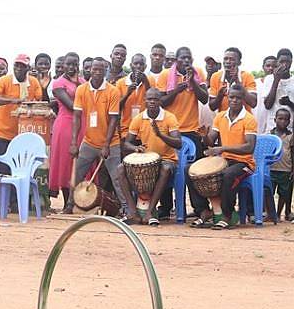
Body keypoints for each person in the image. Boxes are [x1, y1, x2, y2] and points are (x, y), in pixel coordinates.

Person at [188, 84, 256, 229]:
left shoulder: (249, 119)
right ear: (227, 97)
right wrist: (204, 136)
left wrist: (223, 148)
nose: (234, 100)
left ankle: (228, 214)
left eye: (238, 98)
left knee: (228, 174)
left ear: (243, 99)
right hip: (225, 160)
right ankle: (203, 210)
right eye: (232, 97)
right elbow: (211, 141)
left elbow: (249, 147)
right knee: (190, 170)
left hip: (245, 163)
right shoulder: (220, 116)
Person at [68, 57, 126, 214]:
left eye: (101, 69)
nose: (97, 72)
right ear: (89, 70)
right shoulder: (82, 90)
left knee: (116, 177)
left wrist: (106, 145)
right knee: (77, 173)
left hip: (110, 142)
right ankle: (69, 205)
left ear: (106, 71)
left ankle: (127, 209)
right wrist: (74, 142)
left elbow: (114, 119)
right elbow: (77, 117)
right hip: (89, 141)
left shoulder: (113, 91)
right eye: (94, 69)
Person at [157, 46, 209, 219]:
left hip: (191, 130)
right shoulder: (166, 75)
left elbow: (204, 98)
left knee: (194, 172)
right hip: (171, 130)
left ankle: (200, 208)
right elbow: (161, 102)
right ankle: (165, 208)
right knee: (166, 166)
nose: (186, 61)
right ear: (176, 60)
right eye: (183, 58)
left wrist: (192, 82)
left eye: (189, 58)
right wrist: (176, 91)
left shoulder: (198, 72)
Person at [117, 88, 181, 225]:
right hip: (146, 160)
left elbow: (179, 143)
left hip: (167, 159)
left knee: (164, 169)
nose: (152, 102)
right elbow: (126, 143)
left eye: (155, 99)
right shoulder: (139, 118)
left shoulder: (169, 117)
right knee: (120, 168)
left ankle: (149, 211)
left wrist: (160, 135)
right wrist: (135, 148)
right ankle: (132, 211)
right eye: (149, 99)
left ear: (160, 101)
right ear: (145, 101)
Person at [0, 54, 42, 162]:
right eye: (17, 65)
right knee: (3, 169)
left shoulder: (34, 82)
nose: (19, 68)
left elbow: (39, 102)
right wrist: (12, 100)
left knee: (22, 168)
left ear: (28, 68)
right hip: (3, 133)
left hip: (24, 134)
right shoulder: (4, 80)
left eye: (22, 66)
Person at [49, 52, 84, 212]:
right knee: (65, 162)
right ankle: (66, 203)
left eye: (74, 64)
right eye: (68, 64)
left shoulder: (83, 81)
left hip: (82, 124)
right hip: (65, 124)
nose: (71, 67)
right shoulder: (58, 83)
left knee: (81, 163)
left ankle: (79, 201)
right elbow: (71, 105)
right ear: (63, 65)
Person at [116, 53, 153, 140]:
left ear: (145, 66)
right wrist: (127, 93)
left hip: (145, 130)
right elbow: (117, 107)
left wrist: (146, 82)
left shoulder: (150, 80)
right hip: (126, 130)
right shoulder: (121, 83)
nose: (138, 66)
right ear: (131, 65)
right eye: (135, 63)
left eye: (141, 64)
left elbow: (153, 102)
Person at [209, 47, 257, 112]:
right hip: (223, 119)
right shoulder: (215, 77)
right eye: (225, 59)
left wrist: (238, 82)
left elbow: (253, 103)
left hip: (244, 120)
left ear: (239, 62)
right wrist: (220, 96)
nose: (228, 62)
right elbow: (212, 107)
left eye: (232, 59)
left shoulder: (247, 76)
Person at [270, 108, 294, 221]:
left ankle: (279, 213)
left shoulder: (291, 136)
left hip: (285, 169)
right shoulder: (270, 135)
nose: (283, 121)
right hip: (271, 168)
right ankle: (272, 213)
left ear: (289, 122)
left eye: (286, 119)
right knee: (269, 192)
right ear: (275, 119)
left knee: (283, 193)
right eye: (280, 119)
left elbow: (292, 153)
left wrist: (292, 169)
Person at [263, 48, 294, 133]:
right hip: (272, 129)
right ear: (277, 62)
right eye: (282, 62)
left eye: (287, 62)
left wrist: (289, 103)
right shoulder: (269, 79)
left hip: (290, 130)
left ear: (291, 62)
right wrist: (276, 80)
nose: (284, 65)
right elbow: (267, 105)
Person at [256, 56, 278, 133]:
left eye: (275, 66)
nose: (271, 68)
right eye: (268, 66)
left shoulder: (280, 84)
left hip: (272, 124)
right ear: (263, 67)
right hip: (257, 121)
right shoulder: (255, 83)